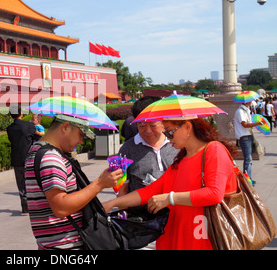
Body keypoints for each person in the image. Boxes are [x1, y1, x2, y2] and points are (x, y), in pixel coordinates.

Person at [103, 117, 238, 250]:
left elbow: (214, 194)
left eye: (169, 132)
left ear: (187, 127)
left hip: (203, 234)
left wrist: (170, 198)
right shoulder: (182, 158)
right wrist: (112, 203)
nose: (167, 137)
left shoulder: (214, 150)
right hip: (180, 232)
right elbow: (152, 190)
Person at [24, 114, 123, 249]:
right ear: (65, 127)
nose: (81, 141)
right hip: (65, 245)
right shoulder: (51, 158)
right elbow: (61, 207)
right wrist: (100, 183)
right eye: (80, 134)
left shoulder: (36, 149)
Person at [117, 96, 179, 197]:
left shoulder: (177, 145)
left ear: (163, 122)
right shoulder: (125, 150)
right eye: (142, 126)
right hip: (139, 211)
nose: (148, 131)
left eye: (153, 125)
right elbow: (121, 189)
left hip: (174, 209)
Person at [6, 104, 36, 213]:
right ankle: (33, 205)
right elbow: (36, 135)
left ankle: (25, 206)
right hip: (29, 158)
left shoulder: (9, 129)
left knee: (21, 183)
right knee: (32, 182)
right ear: (21, 113)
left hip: (16, 159)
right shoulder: (28, 126)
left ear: (11, 115)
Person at [234, 101, 263, 182]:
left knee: (249, 159)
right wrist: (257, 124)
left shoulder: (246, 110)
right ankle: (247, 179)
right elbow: (245, 124)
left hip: (248, 135)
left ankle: (248, 178)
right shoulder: (240, 111)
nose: (251, 102)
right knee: (248, 158)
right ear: (247, 101)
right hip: (244, 136)